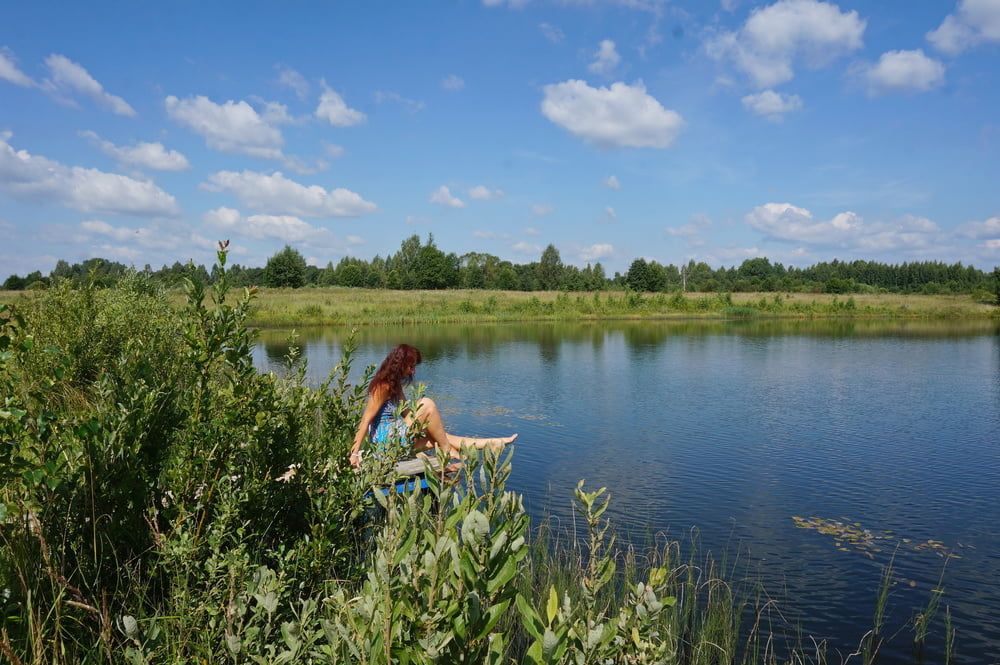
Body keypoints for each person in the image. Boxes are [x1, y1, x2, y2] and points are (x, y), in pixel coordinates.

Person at [349, 344, 517, 468]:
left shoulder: (395, 386)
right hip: (385, 444)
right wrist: (355, 453)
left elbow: (408, 413)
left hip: (396, 436)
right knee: (427, 404)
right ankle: (448, 453)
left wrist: (425, 426)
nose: (413, 371)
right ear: (399, 364)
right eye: (411, 366)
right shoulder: (382, 386)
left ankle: (493, 443)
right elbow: (365, 421)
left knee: (441, 435)